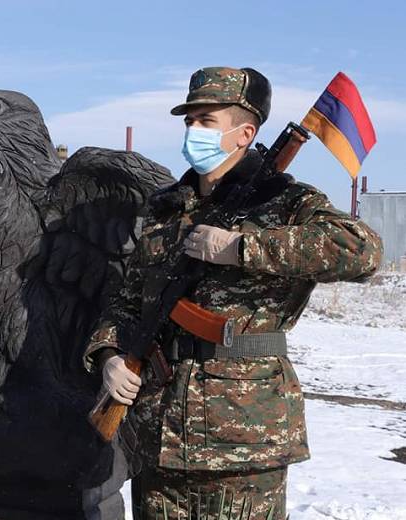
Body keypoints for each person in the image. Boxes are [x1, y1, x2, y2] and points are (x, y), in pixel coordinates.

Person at [83, 67, 382, 519]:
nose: (192, 131)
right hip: (158, 433)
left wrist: (243, 247)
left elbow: (363, 250)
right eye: (189, 120)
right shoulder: (167, 208)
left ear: (244, 133)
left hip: (241, 436)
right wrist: (108, 353)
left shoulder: (283, 201)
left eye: (206, 121)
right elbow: (129, 301)